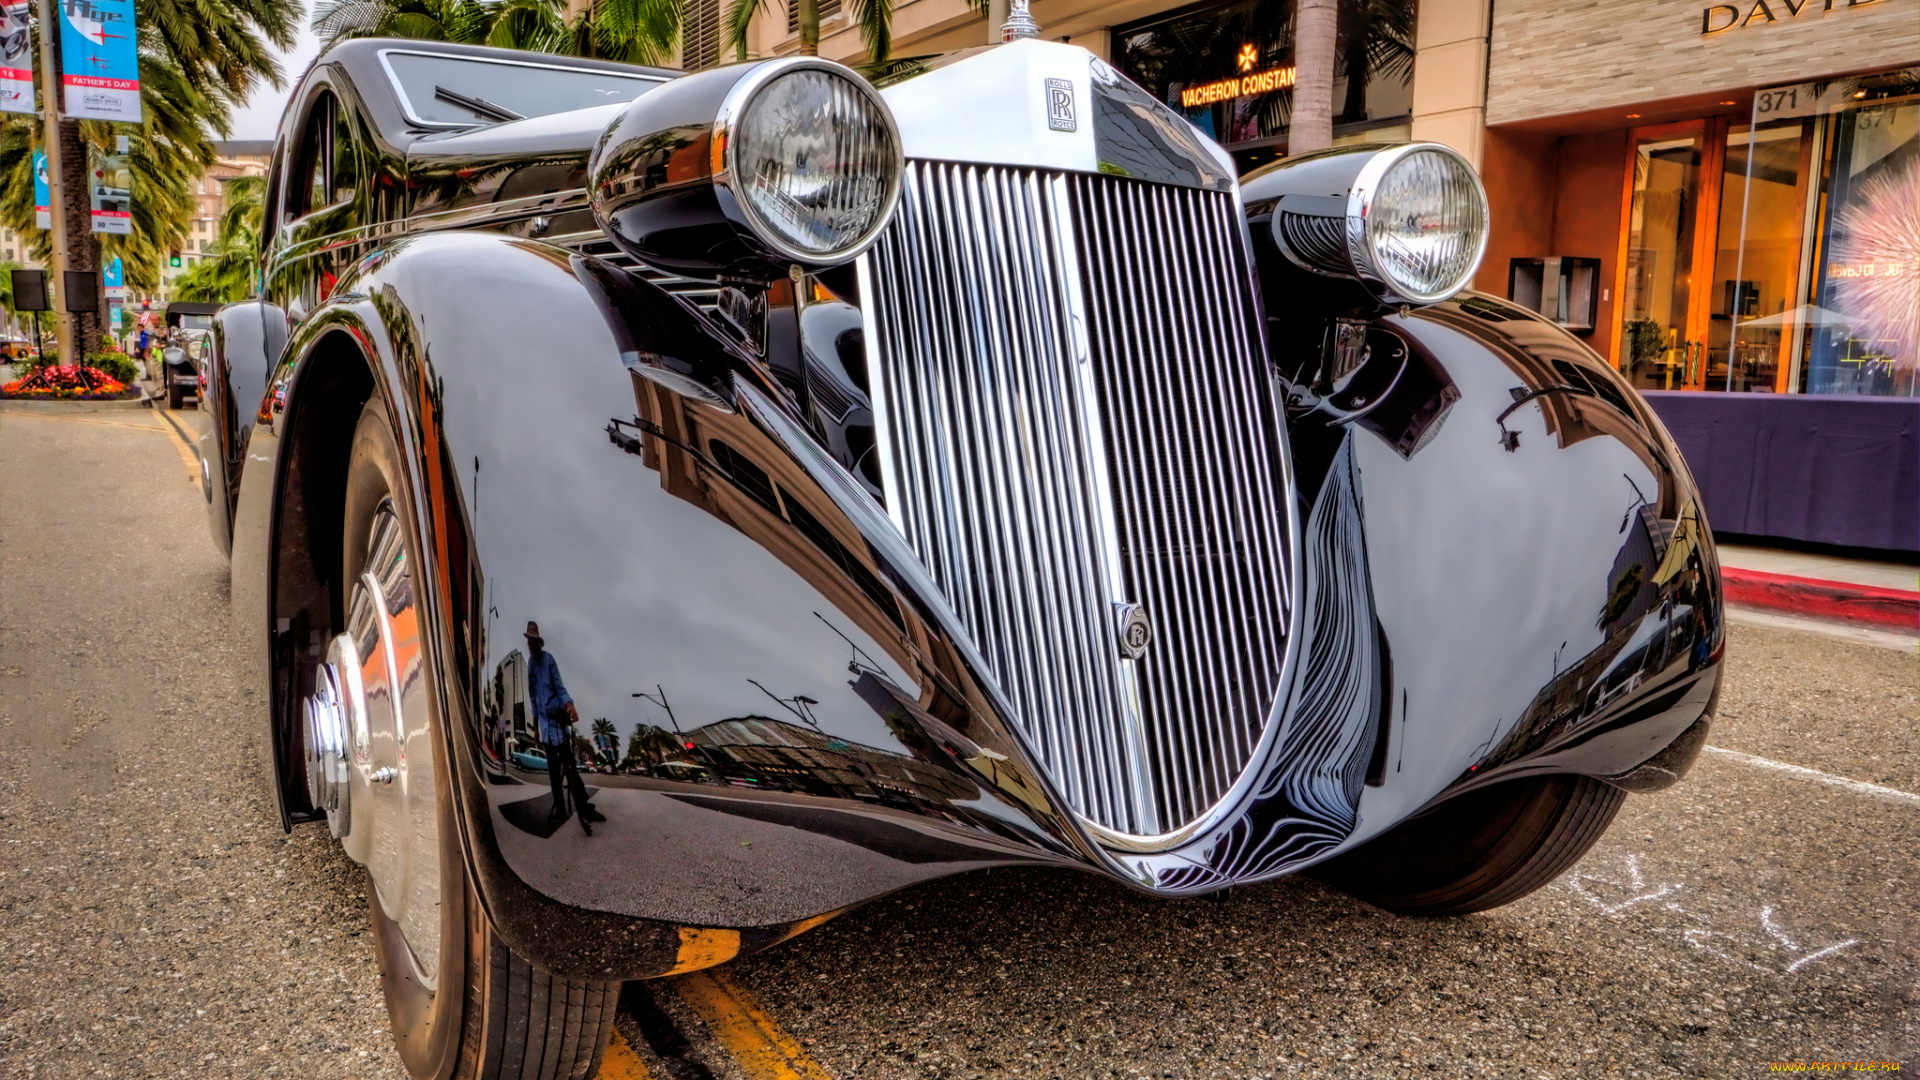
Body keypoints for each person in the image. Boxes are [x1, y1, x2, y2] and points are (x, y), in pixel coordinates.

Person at [524, 620, 604, 835]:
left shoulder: (548, 660)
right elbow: (533, 699)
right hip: (545, 727)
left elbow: (560, 687)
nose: (531, 647)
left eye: (533, 643)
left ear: (539, 643)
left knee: (570, 770)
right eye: (528, 643)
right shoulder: (530, 666)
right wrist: (536, 729)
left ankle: (585, 809)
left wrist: (569, 704)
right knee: (553, 773)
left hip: (558, 724)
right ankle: (560, 809)